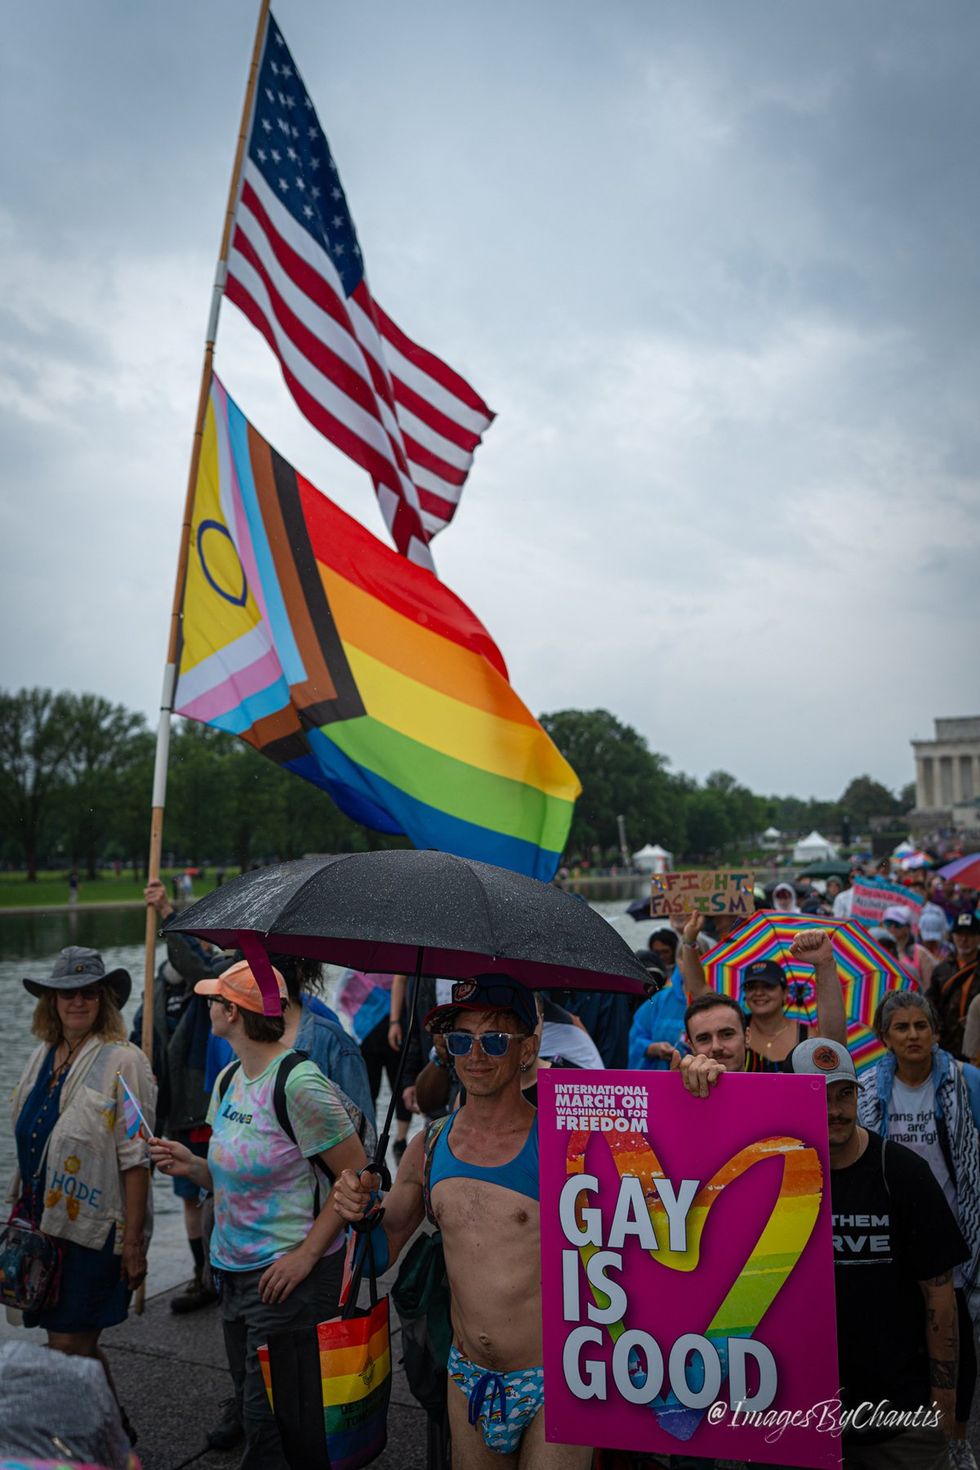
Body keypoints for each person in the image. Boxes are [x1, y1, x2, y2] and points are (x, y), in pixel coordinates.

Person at [334, 976, 592, 1470]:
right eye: (460, 1040)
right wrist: (357, 1213)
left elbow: (659, 1198)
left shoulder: (564, 1143)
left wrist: (701, 1087)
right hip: (468, 1378)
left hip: (558, 1380)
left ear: (527, 1049)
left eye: (494, 1040)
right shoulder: (429, 1146)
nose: (475, 1054)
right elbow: (380, 1250)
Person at [678, 1035, 969, 1468]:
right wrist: (693, 1089)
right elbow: (688, 1171)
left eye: (845, 1094)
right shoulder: (764, 1173)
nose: (835, 1109)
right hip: (791, 1418)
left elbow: (940, 1296)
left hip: (895, 1420)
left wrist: (944, 1404)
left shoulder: (902, 1173)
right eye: (818, 1095)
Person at [149, 959, 367, 1470]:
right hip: (233, 1273)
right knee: (258, 1410)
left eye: (214, 1000)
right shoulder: (229, 1078)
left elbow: (357, 1178)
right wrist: (192, 1166)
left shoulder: (298, 1083)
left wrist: (305, 1256)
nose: (207, 1007)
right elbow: (234, 1178)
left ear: (233, 1012)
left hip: (288, 1279)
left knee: (270, 1425)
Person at [8, 947, 155, 1438]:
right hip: (42, 1228)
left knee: (69, 1348)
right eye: (66, 993)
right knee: (76, 1350)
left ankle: (87, 1443)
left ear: (103, 1000)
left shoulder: (125, 1061)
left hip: (94, 1234)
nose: (77, 1001)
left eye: (88, 992)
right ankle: (116, 1435)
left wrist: (133, 1244)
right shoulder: (41, 1057)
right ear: (50, 1001)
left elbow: (136, 1157)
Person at [857, 990, 980, 1460]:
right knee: (907, 1338)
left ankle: (956, 1442)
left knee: (958, 1342)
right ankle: (909, 1438)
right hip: (893, 1236)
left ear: (935, 1031)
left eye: (921, 1026)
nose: (913, 1035)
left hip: (955, 1235)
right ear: (884, 1037)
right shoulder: (867, 1089)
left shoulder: (966, 1083)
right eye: (902, 1027)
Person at [679, 919, 846, 1067]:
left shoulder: (807, 1036)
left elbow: (833, 1047)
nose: (759, 993)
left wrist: (824, 963)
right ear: (745, 1036)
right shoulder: (730, 1025)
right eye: (751, 987)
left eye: (768, 986)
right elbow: (698, 988)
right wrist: (689, 941)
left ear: (785, 992)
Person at [930, 912, 980, 1058]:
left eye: (969, 934)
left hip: (976, 1043)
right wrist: (935, 1028)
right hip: (946, 1043)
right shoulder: (941, 969)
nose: (964, 939)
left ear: (978, 937)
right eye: (959, 934)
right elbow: (930, 1003)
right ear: (952, 936)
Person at [882, 905, 935, 988]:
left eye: (897, 924)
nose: (892, 928)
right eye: (888, 923)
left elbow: (928, 986)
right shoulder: (881, 950)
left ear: (908, 927)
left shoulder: (921, 953)